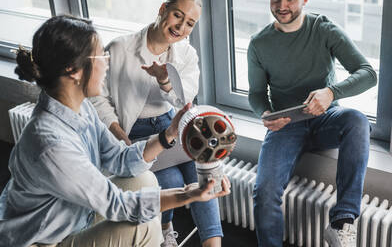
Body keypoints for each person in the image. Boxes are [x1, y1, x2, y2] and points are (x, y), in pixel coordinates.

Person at [0, 15, 230, 247]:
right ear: (73, 70)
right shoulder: (50, 144)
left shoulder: (80, 107)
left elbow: (119, 158)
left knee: (145, 179)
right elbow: (118, 204)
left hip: (73, 216)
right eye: (101, 55)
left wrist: (168, 133)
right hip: (42, 241)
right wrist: (187, 195)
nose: (107, 62)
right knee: (142, 225)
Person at [248, 0, 377, 247]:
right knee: (264, 191)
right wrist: (266, 114)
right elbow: (257, 94)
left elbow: (368, 73)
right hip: (285, 127)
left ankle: (341, 223)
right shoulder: (259, 44)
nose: (282, 6)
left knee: (357, 120)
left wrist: (332, 93)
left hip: (326, 119)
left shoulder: (323, 29)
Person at [90, 0, 223, 247]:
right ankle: (165, 231)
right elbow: (97, 97)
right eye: (177, 15)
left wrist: (165, 80)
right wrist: (118, 133)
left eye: (189, 24)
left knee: (202, 172)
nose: (181, 26)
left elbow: (184, 100)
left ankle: (213, 243)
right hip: (134, 130)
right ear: (162, 9)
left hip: (170, 124)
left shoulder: (186, 54)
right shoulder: (120, 48)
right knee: (171, 179)